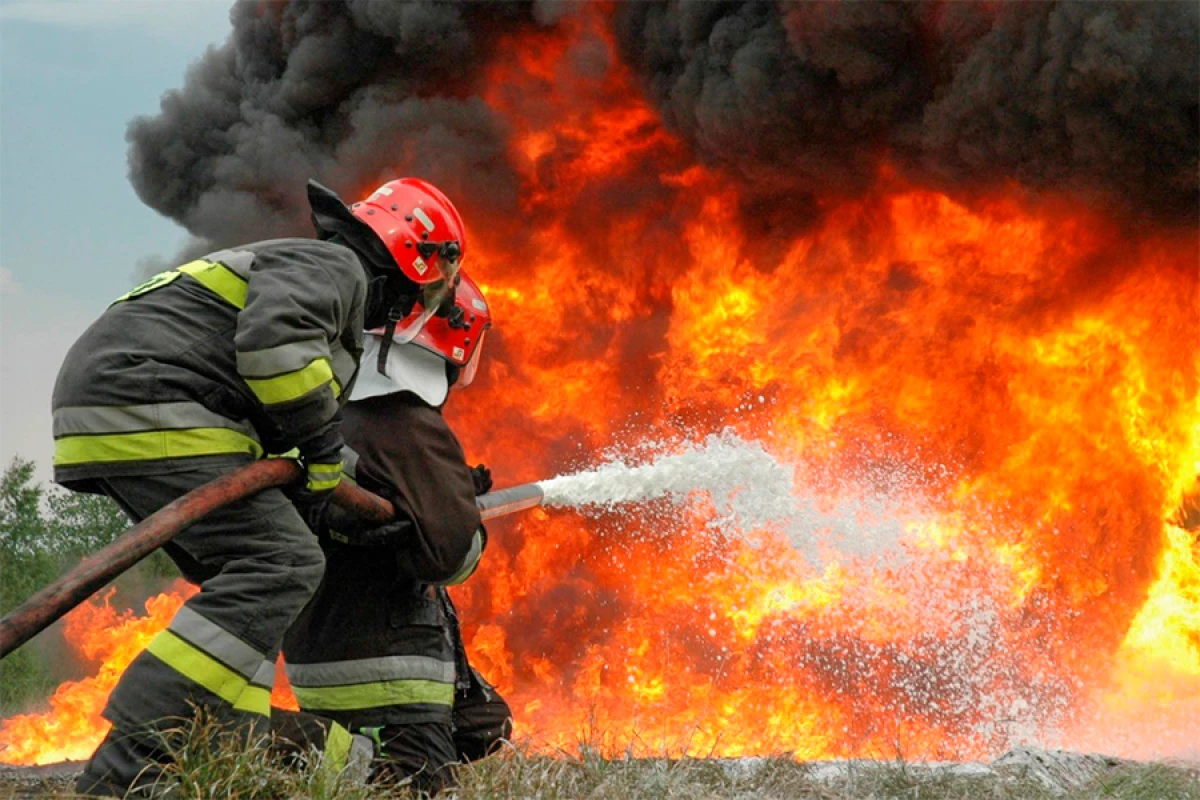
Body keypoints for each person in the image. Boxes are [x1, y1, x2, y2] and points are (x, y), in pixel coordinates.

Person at [51, 177, 469, 796]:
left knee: (247, 586)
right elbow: (276, 353)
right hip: (153, 397)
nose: (418, 305)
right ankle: (131, 761)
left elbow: (282, 430)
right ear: (414, 257)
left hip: (122, 405)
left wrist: (349, 495)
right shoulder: (336, 268)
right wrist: (328, 458)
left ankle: (214, 739)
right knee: (281, 562)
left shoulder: (313, 274)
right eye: (433, 286)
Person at [277, 272, 512, 795]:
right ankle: (278, 745)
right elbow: (451, 556)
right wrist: (463, 519)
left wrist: (443, 497)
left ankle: (339, 757)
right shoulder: (406, 420)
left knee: (486, 724)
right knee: (413, 787)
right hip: (388, 667)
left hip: (321, 654)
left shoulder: (329, 412)